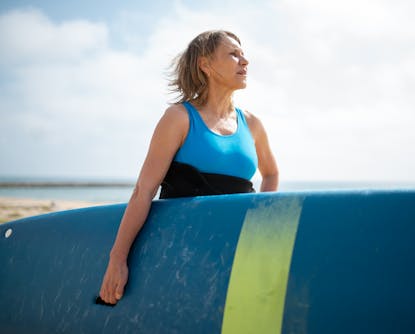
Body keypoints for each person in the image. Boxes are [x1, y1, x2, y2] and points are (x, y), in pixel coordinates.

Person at [98, 30, 279, 305]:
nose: (245, 61)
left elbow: (271, 173)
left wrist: (261, 222)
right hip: (183, 249)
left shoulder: (252, 124)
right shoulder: (179, 118)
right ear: (205, 65)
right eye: (233, 54)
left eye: (243, 54)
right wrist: (118, 259)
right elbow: (143, 191)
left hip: (235, 248)